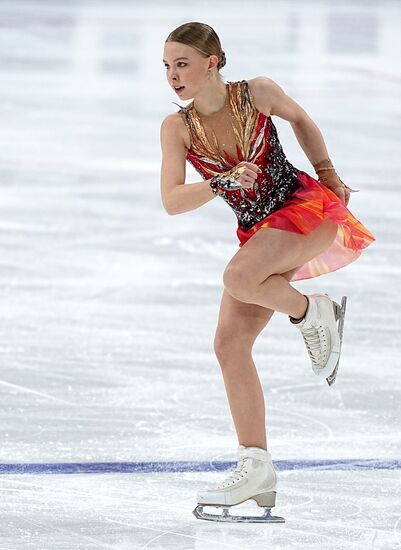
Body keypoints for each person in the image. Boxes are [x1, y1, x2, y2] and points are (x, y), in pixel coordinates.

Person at [160, 22, 375, 523]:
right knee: (228, 345)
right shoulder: (177, 129)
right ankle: (256, 466)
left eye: (183, 63)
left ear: (213, 62)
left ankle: (312, 311)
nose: (173, 75)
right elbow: (172, 200)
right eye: (168, 67)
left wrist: (329, 177)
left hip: (304, 209)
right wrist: (220, 181)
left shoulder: (256, 92)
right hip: (260, 234)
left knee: (237, 278)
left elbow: (301, 120)